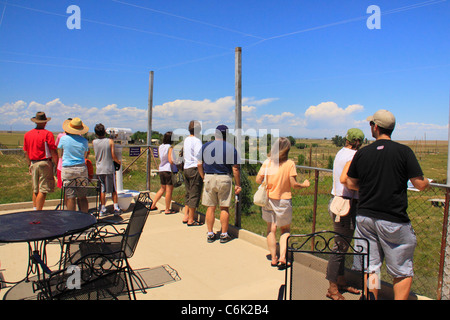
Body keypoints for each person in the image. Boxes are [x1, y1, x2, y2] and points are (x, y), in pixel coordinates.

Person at [346, 109, 429, 300]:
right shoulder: (404, 152)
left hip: (365, 218)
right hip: (393, 220)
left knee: (371, 266)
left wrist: (369, 187)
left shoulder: (363, 153)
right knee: (401, 270)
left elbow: (351, 183)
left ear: (375, 127)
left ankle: (371, 297)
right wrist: (428, 183)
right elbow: (419, 184)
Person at [256, 137, 310, 268]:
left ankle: (273, 258)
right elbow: (293, 184)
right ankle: (282, 258)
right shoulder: (289, 164)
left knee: (270, 229)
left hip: (268, 199)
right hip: (283, 200)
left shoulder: (267, 162)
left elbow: (258, 179)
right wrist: (304, 185)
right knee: (285, 230)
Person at [325, 128, 364, 300]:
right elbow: (345, 180)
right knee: (340, 247)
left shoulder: (341, 153)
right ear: (358, 142)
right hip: (346, 205)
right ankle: (332, 288)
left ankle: (340, 281)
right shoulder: (353, 156)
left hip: (338, 202)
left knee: (341, 245)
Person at [197, 125, 241, 243]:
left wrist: (203, 177)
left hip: (209, 177)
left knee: (210, 207)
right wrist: (238, 184)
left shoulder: (206, 146)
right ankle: (224, 234)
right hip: (224, 178)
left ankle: (210, 233)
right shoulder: (230, 148)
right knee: (224, 207)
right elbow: (235, 168)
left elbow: (199, 164)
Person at [23, 112, 58, 210]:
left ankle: (35, 208)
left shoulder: (27, 134)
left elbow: (26, 151)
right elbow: (52, 150)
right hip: (45, 162)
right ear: (45, 122)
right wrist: (56, 162)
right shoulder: (48, 134)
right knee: (43, 189)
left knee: (35, 188)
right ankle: (38, 212)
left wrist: (29, 164)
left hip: (33, 162)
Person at [57, 117, 90, 213]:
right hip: (81, 168)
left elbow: (60, 152)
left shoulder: (63, 139)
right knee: (82, 196)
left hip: (68, 169)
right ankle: (84, 217)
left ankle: (72, 218)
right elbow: (85, 154)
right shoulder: (84, 141)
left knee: (70, 197)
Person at [93, 123, 122, 217]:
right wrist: (119, 161)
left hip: (99, 169)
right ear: (104, 131)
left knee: (103, 189)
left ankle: (102, 209)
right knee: (113, 189)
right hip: (109, 168)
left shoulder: (94, 142)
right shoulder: (110, 141)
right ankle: (116, 207)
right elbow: (113, 156)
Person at [182, 120, 203, 225]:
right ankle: (191, 219)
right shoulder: (197, 141)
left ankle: (185, 215)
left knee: (188, 193)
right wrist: (202, 174)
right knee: (195, 193)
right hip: (194, 169)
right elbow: (199, 158)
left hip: (186, 168)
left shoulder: (186, 140)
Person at [150, 131, 177, 214]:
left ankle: (153, 204)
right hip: (168, 170)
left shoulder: (161, 146)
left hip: (161, 169)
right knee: (169, 190)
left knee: (162, 188)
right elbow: (170, 160)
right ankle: (167, 209)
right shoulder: (170, 147)